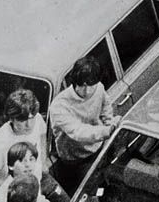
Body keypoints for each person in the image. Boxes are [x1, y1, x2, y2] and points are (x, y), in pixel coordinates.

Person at [48, 56, 117, 193]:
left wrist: (109, 122)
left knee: (107, 181)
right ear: (74, 82)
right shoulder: (59, 106)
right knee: (87, 193)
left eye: (91, 86)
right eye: (82, 86)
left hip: (99, 148)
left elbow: (106, 106)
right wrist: (107, 131)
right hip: (76, 161)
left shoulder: (99, 88)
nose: (87, 91)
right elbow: (78, 132)